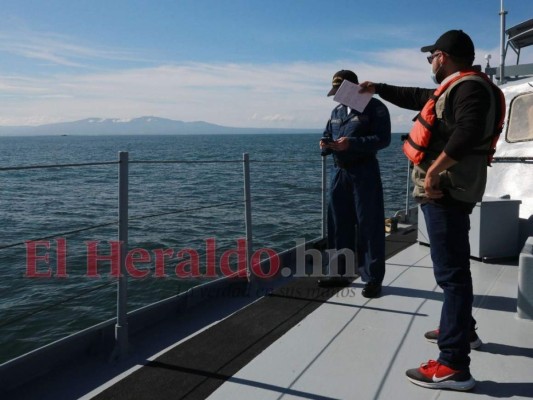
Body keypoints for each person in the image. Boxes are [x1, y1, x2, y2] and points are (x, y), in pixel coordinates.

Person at [359, 30, 505, 391]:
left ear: (444, 56)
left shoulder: (468, 89)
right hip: (452, 189)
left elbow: (468, 131)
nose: (430, 64)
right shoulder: (458, 87)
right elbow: (415, 97)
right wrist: (376, 86)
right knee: (454, 266)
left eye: (431, 57)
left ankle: (453, 364)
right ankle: (462, 329)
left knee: (451, 274)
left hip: (445, 190)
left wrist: (435, 172)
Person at [317, 70, 391, 300]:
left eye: (340, 92)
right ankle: (340, 272)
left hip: (364, 171)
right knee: (338, 225)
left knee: (369, 225)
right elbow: (328, 132)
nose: (337, 97)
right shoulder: (337, 111)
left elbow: (383, 139)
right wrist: (325, 144)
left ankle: (372, 279)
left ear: (352, 88)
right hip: (339, 172)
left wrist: (352, 143)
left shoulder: (375, 108)